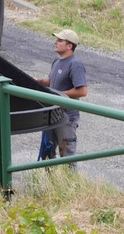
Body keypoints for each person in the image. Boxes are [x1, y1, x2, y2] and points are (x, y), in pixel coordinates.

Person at [36, 29, 88, 163]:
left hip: (66, 118)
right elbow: (52, 80)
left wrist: (59, 95)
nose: (55, 42)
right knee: (47, 153)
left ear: (69, 46)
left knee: (67, 157)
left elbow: (82, 91)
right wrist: (40, 82)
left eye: (60, 40)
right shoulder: (56, 61)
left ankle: (68, 183)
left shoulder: (75, 64)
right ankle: (50, 182)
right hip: (51, 115)